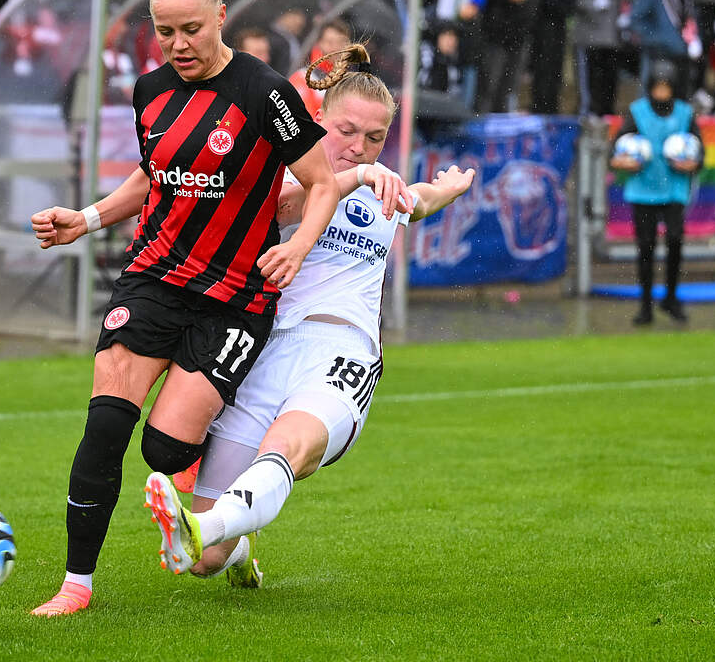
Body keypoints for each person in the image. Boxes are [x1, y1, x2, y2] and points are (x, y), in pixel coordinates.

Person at [26, 0, 342, 617]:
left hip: (233, 298)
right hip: (154, 275)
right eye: (165, 31)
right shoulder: (150, 92)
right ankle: (76, 584)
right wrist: (89, 217)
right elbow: (155, 172)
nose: (178, 44)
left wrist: (296, 247)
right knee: (105, 425)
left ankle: (228, 529)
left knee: (164, 449)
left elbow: (321, 181)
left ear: (221, 17)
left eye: (192, 29)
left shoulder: (264, 92)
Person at [141, 50, 475, 583]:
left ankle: (205, 527)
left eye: (374, 138)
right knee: (205, 565)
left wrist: (447, 190)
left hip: (343, 353)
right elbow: (286, 207)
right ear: (318, 119)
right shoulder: (282, 175)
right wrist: (361, 174)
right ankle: (230, 541)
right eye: (347, 130)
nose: (359, 146)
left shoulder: (381, 181)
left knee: (287, 448)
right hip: (267, 350)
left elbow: (418, 201)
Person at [609, 62, 702, 325]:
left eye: (666, 87)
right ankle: (645, 305)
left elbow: (700, 152)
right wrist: (623, 162)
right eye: (657, 87)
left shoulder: (685, 113)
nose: (662, 92)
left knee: (675, 240)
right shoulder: (637, 112)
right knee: (645, 247)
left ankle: (671, 298)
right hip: (643, 189)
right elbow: (615, 152)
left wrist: (692, 164)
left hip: (674, 188)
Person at [629, 0, 700, 99]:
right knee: (651, 97)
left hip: (682, 53)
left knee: (679, 98)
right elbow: (636, 18)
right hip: (657, 54)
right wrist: (658, 39)